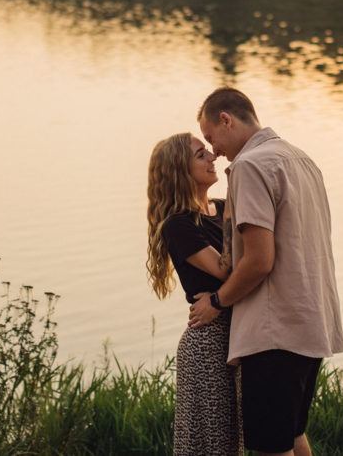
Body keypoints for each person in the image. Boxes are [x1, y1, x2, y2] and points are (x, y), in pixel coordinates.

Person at [188, 87, 343, 456]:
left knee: (270, 448)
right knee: (291, 436)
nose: (215, 152)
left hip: (276, 330)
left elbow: (260, 259)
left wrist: (217, 300)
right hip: (312, 322)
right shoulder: (302, 159)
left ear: (226, 119)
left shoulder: (250, 165)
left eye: (212, 138)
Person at [146, 132, 243, 456]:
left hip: (239, 335)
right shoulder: (180, 225)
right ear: (180, 170)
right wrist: (235, 214)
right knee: (210, 445)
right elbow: (227, 269)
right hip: (208, 344)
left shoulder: (223, 206)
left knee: (235, 442)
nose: (213, 157)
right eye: (201, 154)